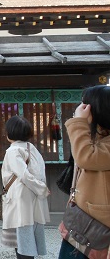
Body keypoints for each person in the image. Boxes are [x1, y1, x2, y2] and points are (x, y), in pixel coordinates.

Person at [58, 85, 110, 259]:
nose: (81, 109)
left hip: (97, 231)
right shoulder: (96, 138)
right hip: (82, 224)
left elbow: (85, 157)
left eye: (85, 105)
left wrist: (79, 123)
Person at [1, 115, 51, 259]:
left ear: (10, 133)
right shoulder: (31, 148)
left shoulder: (13, 151)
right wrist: (41, 188)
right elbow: (40, 171)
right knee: (30, 237)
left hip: (20, 199)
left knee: (22, 241)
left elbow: (23, 175)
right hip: (34, 198)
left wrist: (42, 189)